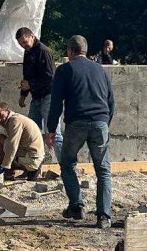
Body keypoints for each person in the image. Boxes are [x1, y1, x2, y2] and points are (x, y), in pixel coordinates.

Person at [46, 35, 115, 229]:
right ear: (85, 50)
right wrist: (104, 123)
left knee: (67, 164)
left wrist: (51, 129)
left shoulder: (65, 70)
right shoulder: (100, 69)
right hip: (100, 122)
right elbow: (111, 101)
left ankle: (76, 206)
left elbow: (56, 103)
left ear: (70, 51)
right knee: (103, 170)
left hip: (76, 123)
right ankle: (104, 217)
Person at [15, 27, 62, 159]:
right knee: (32, 133)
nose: (23, 46)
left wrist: (31, 85)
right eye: (20, 44)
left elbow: (51, 77)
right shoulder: (28, 52)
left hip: (48, 96)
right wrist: (23, 95)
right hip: (36, 98)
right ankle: (34, 165)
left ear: (32, 36)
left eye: (24, 42)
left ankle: (66, 166)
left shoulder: (43, 51)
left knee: (53, 133)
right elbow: (27, 75)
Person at [0, 102, 45, 182]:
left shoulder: (15, 120)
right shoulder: (16, 119)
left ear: (8, 111)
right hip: (35, 157)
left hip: (33, 159)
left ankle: (9, 173)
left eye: (1, 115)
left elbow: (12, 145)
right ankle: (28, 171)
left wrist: (5, 166)